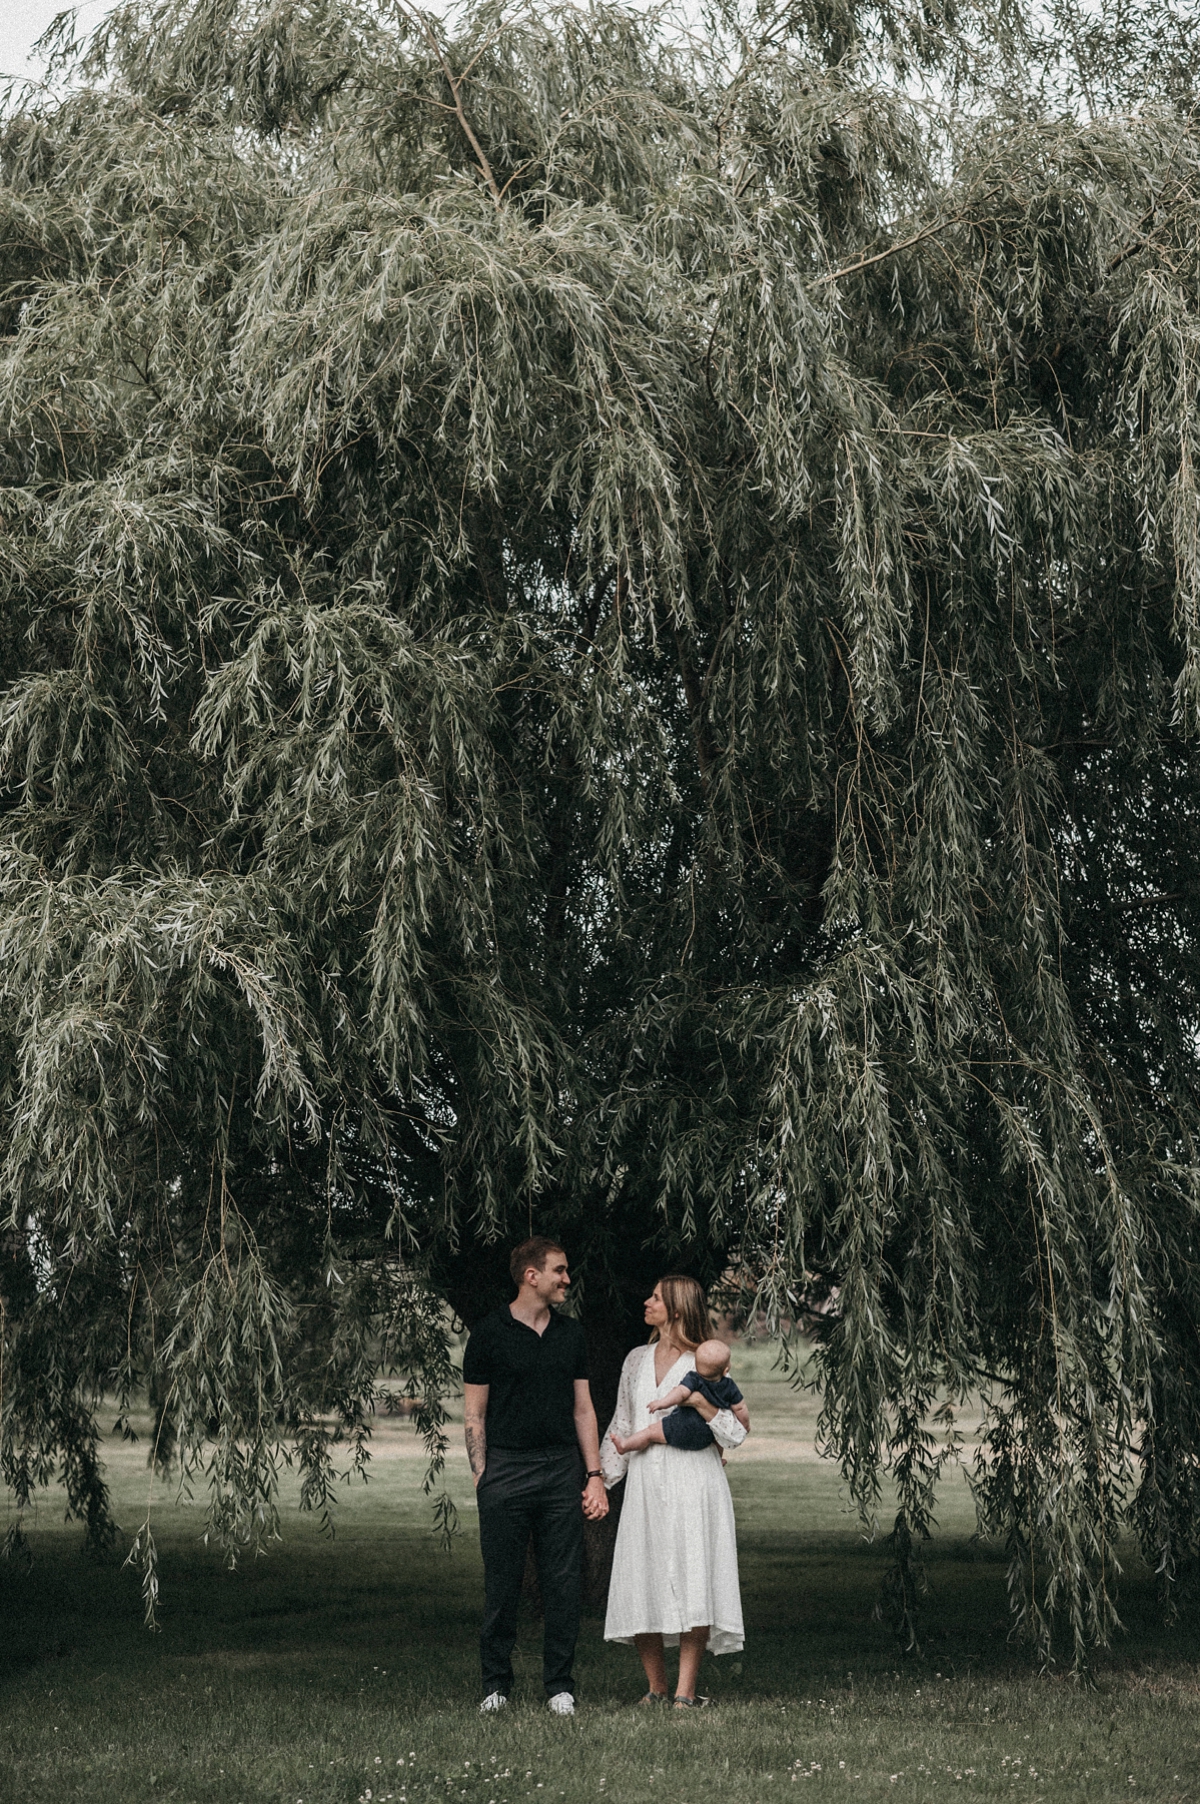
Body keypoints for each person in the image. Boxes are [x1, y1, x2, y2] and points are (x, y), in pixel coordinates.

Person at [462, 1237, 609, 1716]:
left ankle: (560, 1686)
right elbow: (473, 1416)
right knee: (501, 1583)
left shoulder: (571, 1335)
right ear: (532, 1276)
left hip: (560, 1469)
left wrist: (593, 1475)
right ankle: (495, 1686)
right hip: (505, 1469)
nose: (567, 1279)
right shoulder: (488, 1333)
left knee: (562, 1581)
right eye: (560, 1271)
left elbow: (583, 1409)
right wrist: (483, 1476)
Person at [600, 1276, 747, 1708]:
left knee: (693, 1577)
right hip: (646, 1481)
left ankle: (685, 1692)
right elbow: (623, 1423)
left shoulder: (705, 1360)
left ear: (678, 1309)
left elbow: (736, 1432)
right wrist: (600, 1482)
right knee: (641, 1575)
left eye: (656, 1298)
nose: (646, 1302)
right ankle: (656, 1688)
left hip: (693, 1481)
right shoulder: (635, 1359)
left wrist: (702, 1404)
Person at [610, 1338, 748, 1455]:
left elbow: (680, 1393)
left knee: (650, 1433)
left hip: (681, 1427)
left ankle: (625, 1445)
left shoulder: (694, 1378)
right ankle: (720, 1458)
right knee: (718, 1437)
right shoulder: (729, 1386)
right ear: (726, 1370)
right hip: (706, 1436)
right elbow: (740, 1408)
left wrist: (662, 1403)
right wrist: (745, 1425)